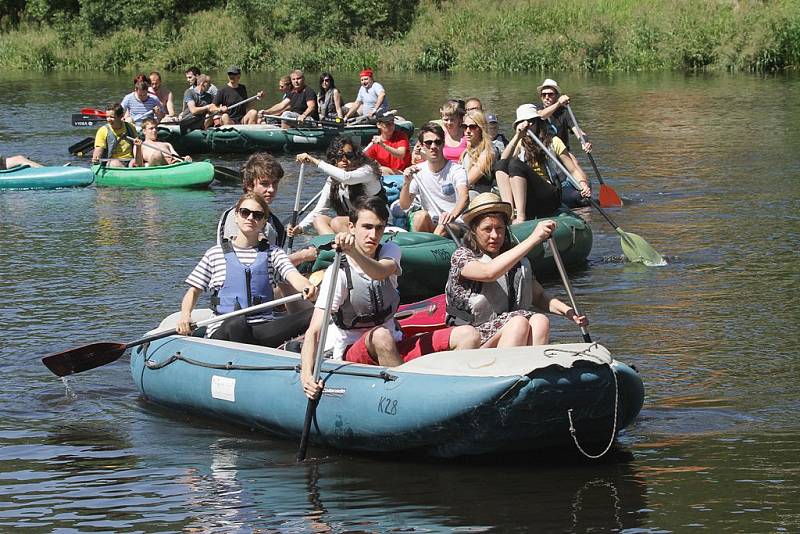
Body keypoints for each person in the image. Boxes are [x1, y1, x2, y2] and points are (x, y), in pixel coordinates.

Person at [300, 196, 480, 398]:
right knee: (380, 335)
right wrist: (307, 377)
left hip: (395, 342)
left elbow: (379, 272)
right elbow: (314, 331)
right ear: (351, 227)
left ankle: (450, 393)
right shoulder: (338, 273)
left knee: (468, 334)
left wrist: (354, 252)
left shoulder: (390, 251)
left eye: (379, 228)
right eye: (366, 227)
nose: (373, 235)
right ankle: (408, 397)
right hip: (354, 352)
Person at [445, 192, 588, 348]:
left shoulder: (516, 261)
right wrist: (534, 239)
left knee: (540, 320)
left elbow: (539, 296)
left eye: (499, 228)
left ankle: (534, 368)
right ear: (473, 230)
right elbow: (488, 273)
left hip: (506, 329)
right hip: (471, 336)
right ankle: (505, 370)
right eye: (487, 229)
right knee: (518, 322)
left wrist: (569, 312)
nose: (495, 235)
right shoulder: (462, 256)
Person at [178, 192, 318, 346]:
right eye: (245, 213)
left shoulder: (274, 253)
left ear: (264, 221)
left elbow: (293, 275)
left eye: (257, 215)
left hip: (262, 329)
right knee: (237, 323)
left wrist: (307, 286)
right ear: (236, 217)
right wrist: (185, 316)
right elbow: (194, 291)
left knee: (316, 313)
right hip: (224, 328)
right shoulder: (214, 254)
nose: (251, 218)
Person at [217, 153, 317, 266]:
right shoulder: (238, 216)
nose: (271, 189)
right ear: (249, 185)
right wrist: (301, 256)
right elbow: (247, 262)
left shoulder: (274, 222)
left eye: (275, 183)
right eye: (264, 184)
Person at [499, 104, 591, 223]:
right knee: (502, 165)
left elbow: (573, 169)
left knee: (515, 165)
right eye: (522, 122)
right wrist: (517, 136)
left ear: (538, 122)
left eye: (531, 121)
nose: (528, 125)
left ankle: (521, 217)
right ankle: (510, 214)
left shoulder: (554, 142)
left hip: (550, 192)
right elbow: (502, 161)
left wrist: (583, 184)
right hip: (529, 193)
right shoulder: (519, 142)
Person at [291, 137, 386, 235]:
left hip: (377, 221)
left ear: (356, 156)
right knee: (319, 220)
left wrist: (315, 161)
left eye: (349, 155)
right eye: (340, 156)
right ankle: (335, 247)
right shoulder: (332, 180)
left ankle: (352, 249)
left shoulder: (367, 171)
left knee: (337, 222)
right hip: (354, 224)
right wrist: (300, 228)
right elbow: (320, 209)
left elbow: (347, 178)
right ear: (334, 158)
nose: (344, 160)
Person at [398, 123, 469, 237]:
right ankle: (425, 247)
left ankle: (429, 245)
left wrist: (451, 216)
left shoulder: (456, 169)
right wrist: (407, 182)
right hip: (432, 221)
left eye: (438, 142)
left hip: (455, 223)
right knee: (419, 217)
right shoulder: (418, 171)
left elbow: (464, 197)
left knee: (443, 227)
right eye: (428, 143)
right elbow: (404, 205)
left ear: (443, 143)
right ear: (422, 146)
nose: (433, 146)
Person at [534, 78, 591, 154]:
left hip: (562, 152)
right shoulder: (536, 108)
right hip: (542, 150)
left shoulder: (564, 112)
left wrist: (585, 142)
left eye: (550, 94)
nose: (547, 97)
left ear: (557, 95)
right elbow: (542, 116)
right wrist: (558, 103)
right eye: (544, 95)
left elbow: (577, 130)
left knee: (575, 163)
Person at [460, 110, 497, 194]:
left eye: (472, 127)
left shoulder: (489, 151)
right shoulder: (467, 151)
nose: (467, 130)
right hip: (464, 191)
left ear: (481, 129)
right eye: (464, 126)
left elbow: (469, 180)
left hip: (481, 196)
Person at [91, 102, 138, 167]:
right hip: (112, 161)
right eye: (107, 117)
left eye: (112, 117)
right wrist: (95, 159)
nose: (108, 120)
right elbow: (98, 151)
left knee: (136, 161)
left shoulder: (130, 127)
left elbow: (136, 146)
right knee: (115, 163)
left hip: (130, 160)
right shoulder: (103, 131)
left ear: (121, 116)